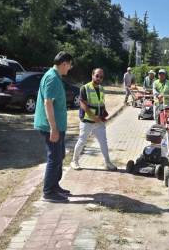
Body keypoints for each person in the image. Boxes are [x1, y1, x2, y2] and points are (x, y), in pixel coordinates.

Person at [34, 51, 73, 203]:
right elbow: (47, 103)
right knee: (54, 157)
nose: (69, 69)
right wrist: (53, 128)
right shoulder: (51, 78)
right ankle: (48, 192)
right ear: (64, 64)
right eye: (69, 65)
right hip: (51, 126)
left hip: (58, 125)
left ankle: (54, 186)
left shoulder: (56, 77)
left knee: (59, 155)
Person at [70, 68, 117, 171]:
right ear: (92, 75)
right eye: (97, 76)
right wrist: (93, 117)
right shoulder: (85, 88)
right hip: (87, 121)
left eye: (101, 77)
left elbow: (101, 104)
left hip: (98, 122)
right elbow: (83, 105)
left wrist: (103, 116)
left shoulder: (101, 89)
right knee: (82, 141)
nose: (99, 78)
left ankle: (108, 163)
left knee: (103, 142)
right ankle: (74, 161)